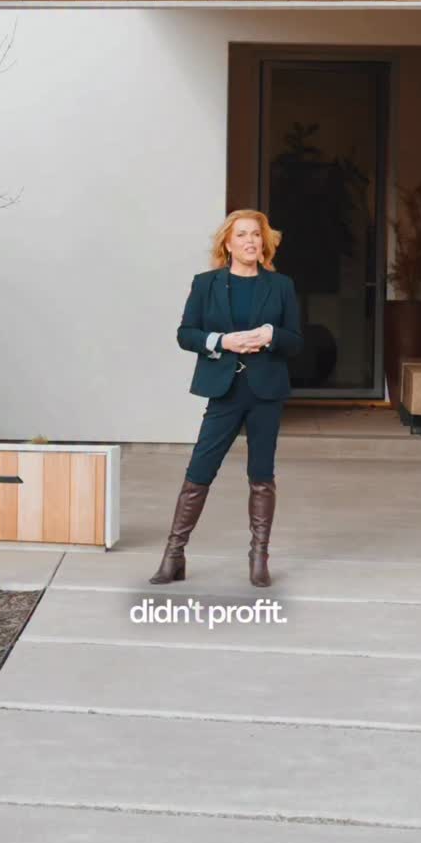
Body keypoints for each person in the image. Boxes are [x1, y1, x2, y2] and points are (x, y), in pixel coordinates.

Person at [149, 209, 303, 588]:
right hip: (225, 390)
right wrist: (222, 341)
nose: (251, 241)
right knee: (199, 472)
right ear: (228, 244)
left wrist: (271, 335)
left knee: (262, 476)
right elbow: (186, 334)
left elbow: (296, 341)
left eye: (256, 234)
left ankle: (259, 558)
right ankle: (174, 555)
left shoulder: (281, 285)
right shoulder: (206, 284)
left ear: (264, 243)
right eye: (242, 235)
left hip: (266, 392)